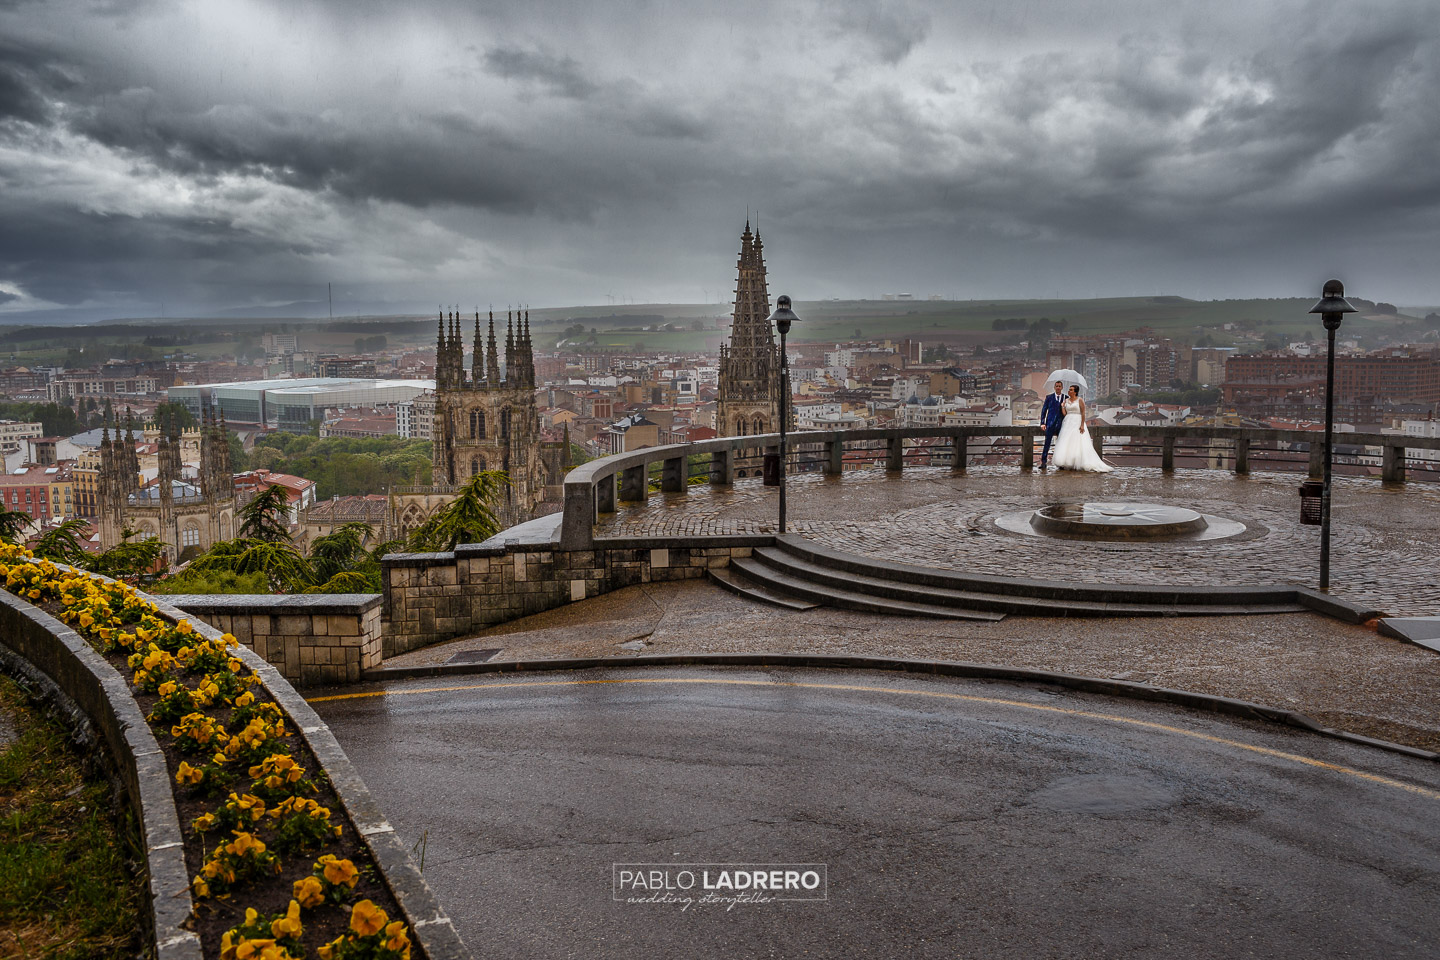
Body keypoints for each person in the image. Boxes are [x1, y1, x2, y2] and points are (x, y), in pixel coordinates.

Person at [1050, 385, 1113, 473]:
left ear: (1075, 392)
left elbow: (1083, 413)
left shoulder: (1080, 400)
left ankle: (1078, 461)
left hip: (1077, 421)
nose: (1069, 391)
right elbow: (1065, 414)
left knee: (1077, 441)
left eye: (1071, 390)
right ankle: (1067, 462)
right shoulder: (1066, 400)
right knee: (1067, 441)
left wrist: (1082, 424)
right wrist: (1062, 406)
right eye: (1069, 389)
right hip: (1068, 422)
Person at [1038, 380, 1066, 469]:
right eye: (1056, 386)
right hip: (1050, 424)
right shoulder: (1049, 397)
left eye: (1059, 386)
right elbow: (1044, 410)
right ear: (1054, 387)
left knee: (1061, 444)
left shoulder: (1066, 398)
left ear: (1062, 388)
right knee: (1047, 443)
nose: (1058, 388)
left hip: (1061, 425)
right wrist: (1042, 423)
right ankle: (1043, 462)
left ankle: (1061, 463)